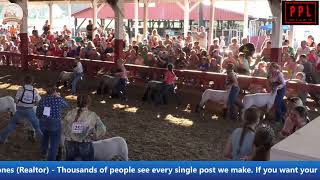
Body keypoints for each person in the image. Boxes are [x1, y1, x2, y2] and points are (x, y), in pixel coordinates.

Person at [0, 75, 42, 143]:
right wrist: (32, 103)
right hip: (30, 110)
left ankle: (2, 138)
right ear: (32, 82)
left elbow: (15, 101)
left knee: (11, 124)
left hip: (20, 110)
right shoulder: (35, 91)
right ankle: (44, 141)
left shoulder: (20, 89)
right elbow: (38, 102)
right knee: (37, 126)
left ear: (24, 81)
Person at [63, 95, 106, 160]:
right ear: (88, 103)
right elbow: (102, 130)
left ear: (77, 102)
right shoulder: (92, 115)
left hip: (70, 144)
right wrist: (95, 136)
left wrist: (69, 134)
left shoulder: (69, 113)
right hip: (85, 144)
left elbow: (64, 127)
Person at [36, 85, 69, 160]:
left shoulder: (42, 100)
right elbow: (66, 105)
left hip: (44, 123)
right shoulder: (58, 99)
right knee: (54, 143)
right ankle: (51, 159)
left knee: (45, 137)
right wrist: (59, 97)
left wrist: (42, 119)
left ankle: (43, 152)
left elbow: (38, 113)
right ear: (55, 92)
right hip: (55, 123)